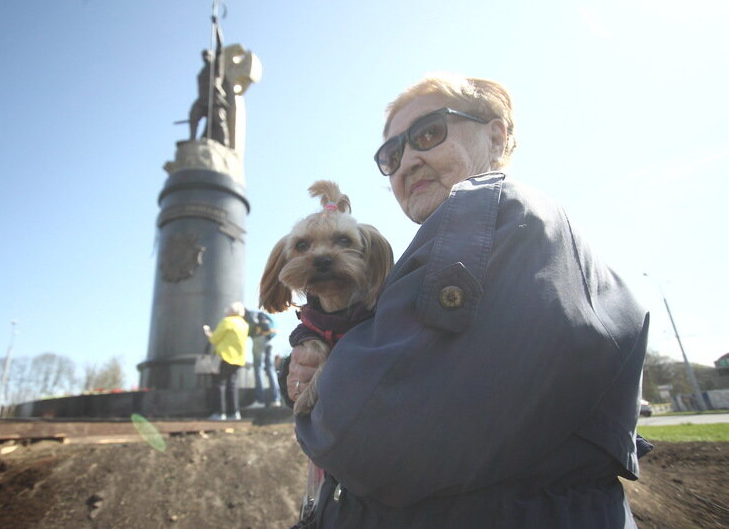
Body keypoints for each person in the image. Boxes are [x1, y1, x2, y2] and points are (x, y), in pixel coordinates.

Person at [283, 74, 651, 527]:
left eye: (428, 134)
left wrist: (321, 396)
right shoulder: (473, 237)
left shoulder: (493, 216)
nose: (407, 162)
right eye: (391, 155)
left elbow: (364, 435)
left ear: (495, 135)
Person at [204, 301, 248, 421]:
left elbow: (214, 339)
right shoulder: (244, 324)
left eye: (228, 309)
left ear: (232, 311)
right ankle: (233, 412)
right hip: (238, 359)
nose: (226, 311)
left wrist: (208, 333)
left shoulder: (227, 321)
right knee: (232, 385)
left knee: (219, 384)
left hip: (225, 357)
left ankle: (219, 413)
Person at [246, 310, 282, 409]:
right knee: (271, 370)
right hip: (270, 340)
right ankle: (276, 399)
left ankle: (260, 400)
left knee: (258, 369)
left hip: (259, 340)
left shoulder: (248, 314)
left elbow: (250, 330)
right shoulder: (267, 316)